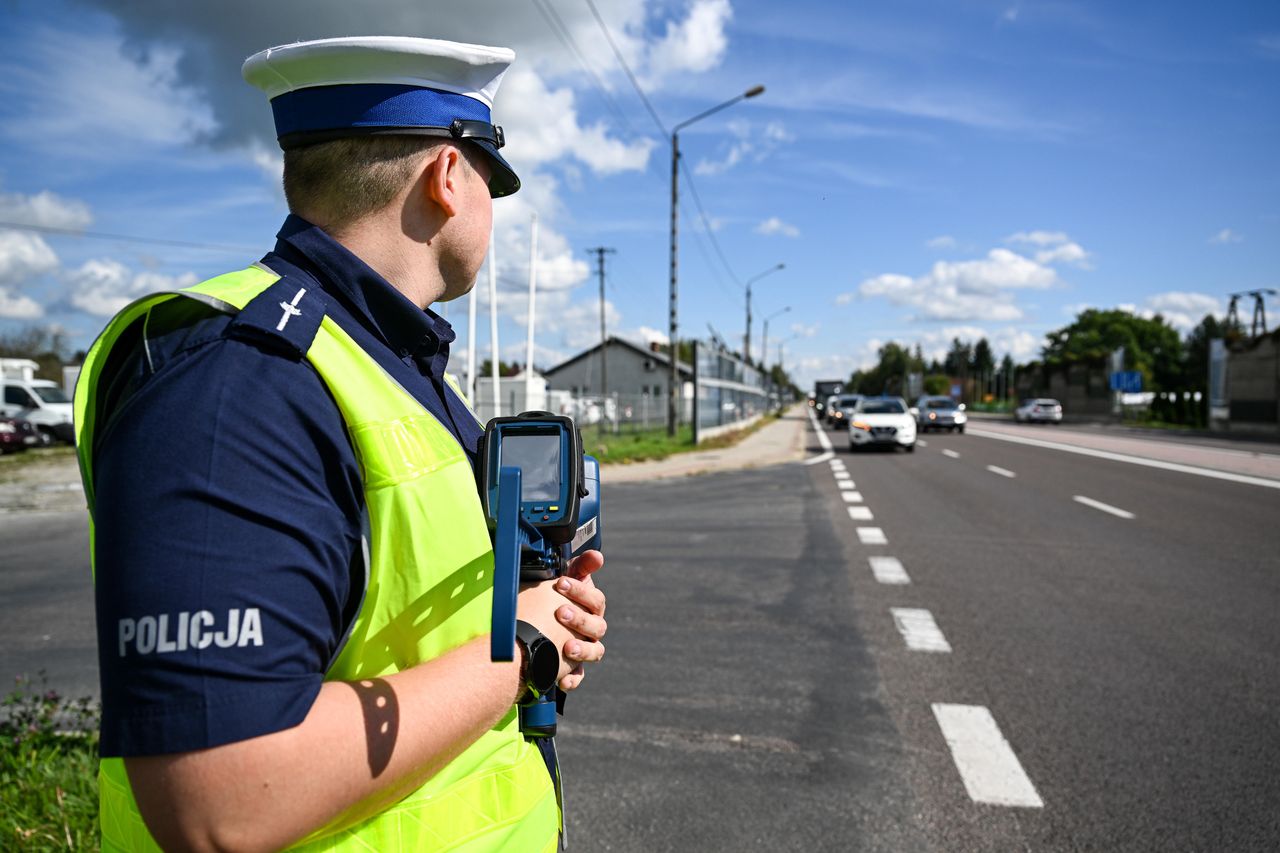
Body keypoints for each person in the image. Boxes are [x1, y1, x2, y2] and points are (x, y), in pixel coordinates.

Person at [73, 36, 607, 852]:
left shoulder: (386, 366)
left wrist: (539, 613)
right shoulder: (240, 380)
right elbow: (220, 797)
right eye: (495, 181)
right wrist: (520, 649)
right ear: (449, 176)